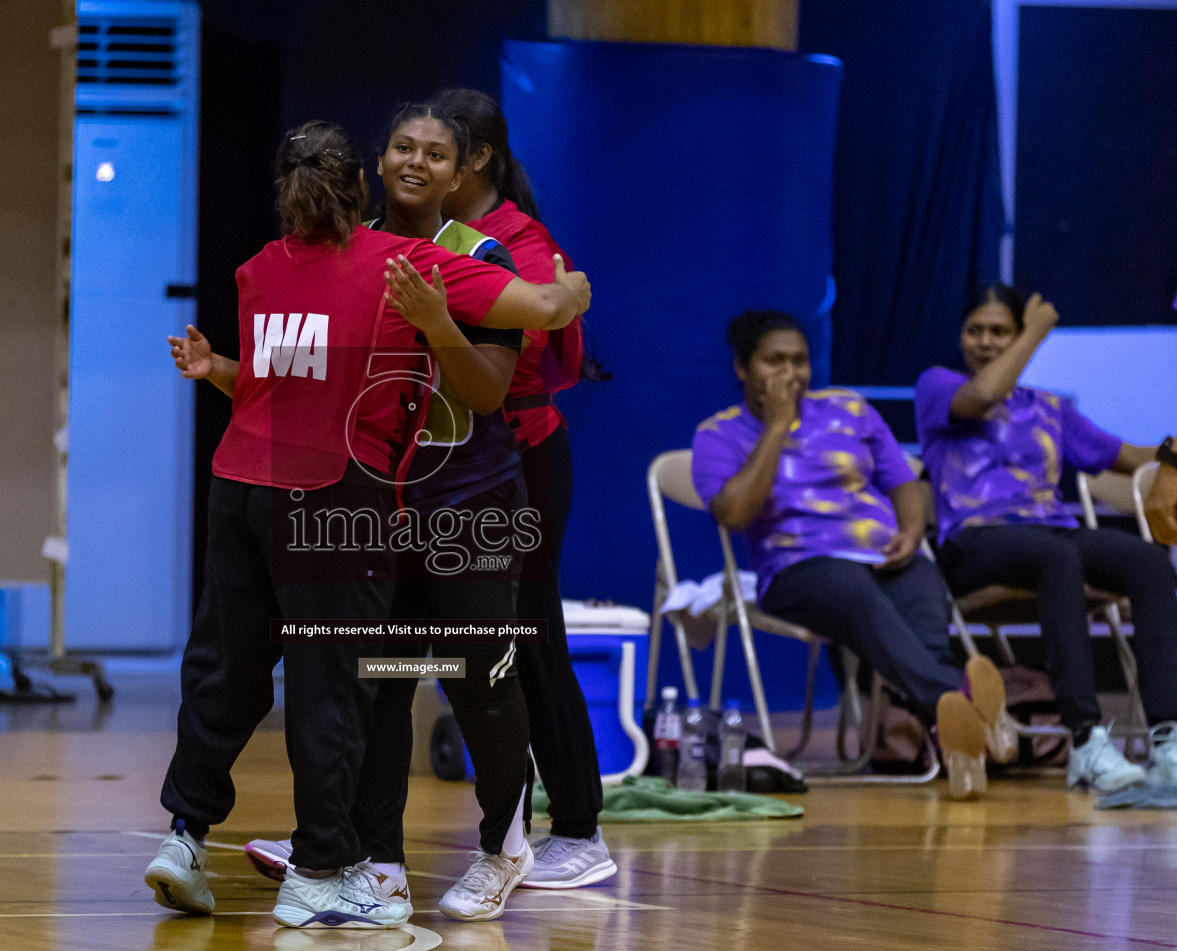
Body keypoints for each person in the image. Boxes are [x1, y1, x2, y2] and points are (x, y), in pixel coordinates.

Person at [144, 121, 590, 929]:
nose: (416, 161)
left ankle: (496, 844)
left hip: (414, 502)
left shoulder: (298, 270)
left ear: (461, 173)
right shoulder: (386, 261)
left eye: (435, 152)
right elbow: (543, 306)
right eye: (402, 147)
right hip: (356, 503)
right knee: (356, 683)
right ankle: (343, 863)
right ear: (367, 175)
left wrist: (219, 371)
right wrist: (569, 296)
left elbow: (475, 394)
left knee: (465, 681)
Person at [692, 310, 1010, 800]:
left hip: (883, 555)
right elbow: (733, 513)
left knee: (924, 587)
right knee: (856, 593)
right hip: (798, 570)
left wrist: (909, 531)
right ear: (742, 368)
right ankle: (963, 701)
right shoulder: (718, 434)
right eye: (775, 360)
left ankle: (958, 741)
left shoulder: (850, 409)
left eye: (799, 360)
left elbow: (903, 481)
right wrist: (776, 429)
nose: (791, 373)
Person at [430, 87, 613, 889]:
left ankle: (579, 828)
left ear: (476, 160)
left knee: (529, 635)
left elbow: (525, 347)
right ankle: (497, 830)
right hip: (448, 469)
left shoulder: (518, 241)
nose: (418, 162)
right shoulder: (430, 237)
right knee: (461, 651)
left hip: (521, 461)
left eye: (438, 150)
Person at [916, 283, 1177, 793]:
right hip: (973, 544)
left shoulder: (1047, 408)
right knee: (1055, 556)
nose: (987, 342)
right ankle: (1086, 741)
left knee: (1148, 562)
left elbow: (1129, 457)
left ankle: (1168, 738)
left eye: (1000, 331)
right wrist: (1035, 331)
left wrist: (1172, 452)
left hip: (1049, 536)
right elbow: (986, 393)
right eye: (976, 330)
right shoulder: (938, 386)